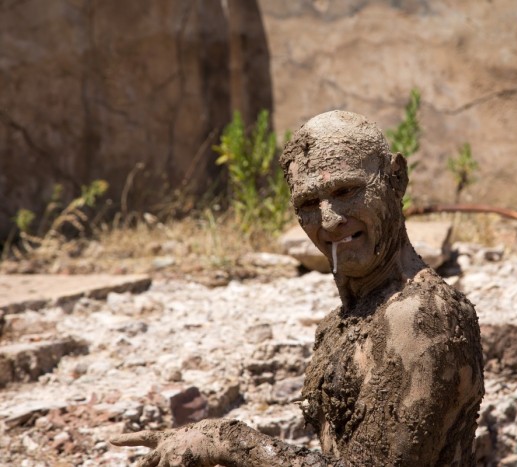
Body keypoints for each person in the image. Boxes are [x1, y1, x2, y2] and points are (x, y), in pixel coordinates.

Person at [111, 110, 484, 466]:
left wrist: (226, 441)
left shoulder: (423, 317)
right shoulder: (339, 323)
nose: (329, 221)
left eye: (345, 191)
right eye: (308, 202)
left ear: (396, 179)